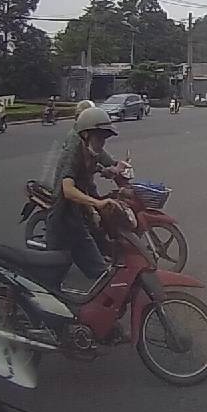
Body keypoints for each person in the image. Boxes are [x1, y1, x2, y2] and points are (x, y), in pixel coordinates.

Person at [45, 107, 124, 289]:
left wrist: (92, 209)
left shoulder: (90, 153)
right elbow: (68, 190)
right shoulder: (73, 151)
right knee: (52, 275)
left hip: (75, 216)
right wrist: (97, 203)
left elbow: (88, 180)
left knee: (97, 270)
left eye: (105, 138)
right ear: (86, 134)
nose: (102, 142)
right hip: (62, 217)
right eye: (99, 137)